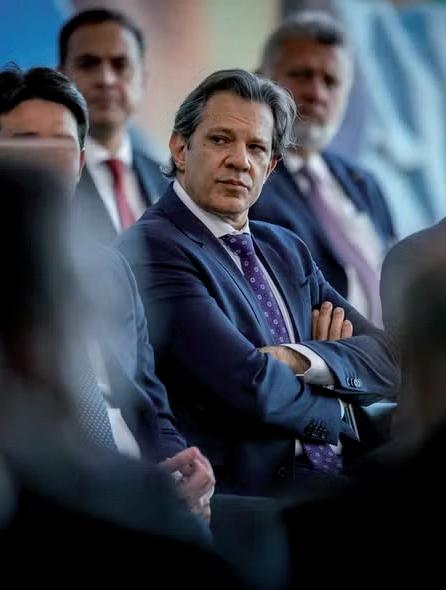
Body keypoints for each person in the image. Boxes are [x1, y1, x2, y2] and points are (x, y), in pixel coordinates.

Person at [116, 68, 400, 496]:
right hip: (253, 496)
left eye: (256, 148)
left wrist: (299, 358)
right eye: (220, 140)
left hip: (344, 475)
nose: (239, 160)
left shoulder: (287, 248)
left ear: (271, 168)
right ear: (179, 148)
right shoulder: (153, 247)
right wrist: (340, 404)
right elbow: (252, 386)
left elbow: (390, 359)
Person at [0, 64, 214, 522]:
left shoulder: (110, 267)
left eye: (59, 147)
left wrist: (180, 468)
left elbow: (151, 405)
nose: (43, 161)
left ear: (79, 164)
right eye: (24, 144)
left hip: (139, 490)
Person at [250, 11, 395, 325]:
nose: (317, 93)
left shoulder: (364, 183)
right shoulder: (245, 177)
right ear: (262, 81)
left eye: (331, 82)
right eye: (301, 75)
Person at [59, 8, 167, 243]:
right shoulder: (47, 179)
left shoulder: (169, 182)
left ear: (142, 80)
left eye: (120, 65)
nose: (106, 80)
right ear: (61, 76)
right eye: (88, 64)